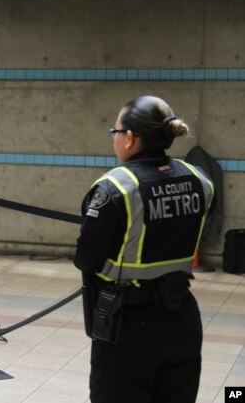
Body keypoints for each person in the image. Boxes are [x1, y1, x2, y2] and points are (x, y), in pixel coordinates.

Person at [74, 95, 215, 403]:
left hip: (129, 323)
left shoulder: (116, 187)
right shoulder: (199, 179)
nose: (115, 139)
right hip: (182, 315)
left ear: (130, 138)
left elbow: (87, 258)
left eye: (115, 132)